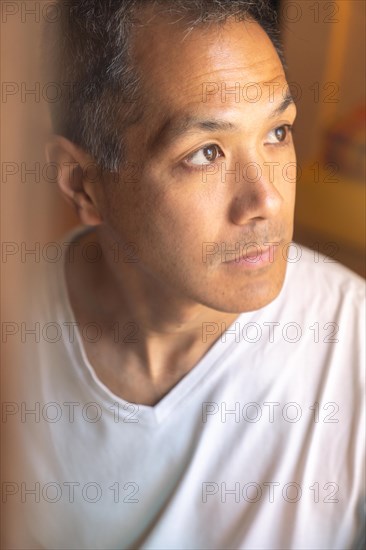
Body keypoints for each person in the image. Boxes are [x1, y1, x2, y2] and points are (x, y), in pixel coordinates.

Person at [7, 1, 364, 548]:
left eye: (277, 133)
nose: (266, 198)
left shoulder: (353, 348)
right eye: (207, 153)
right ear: (83, 184)